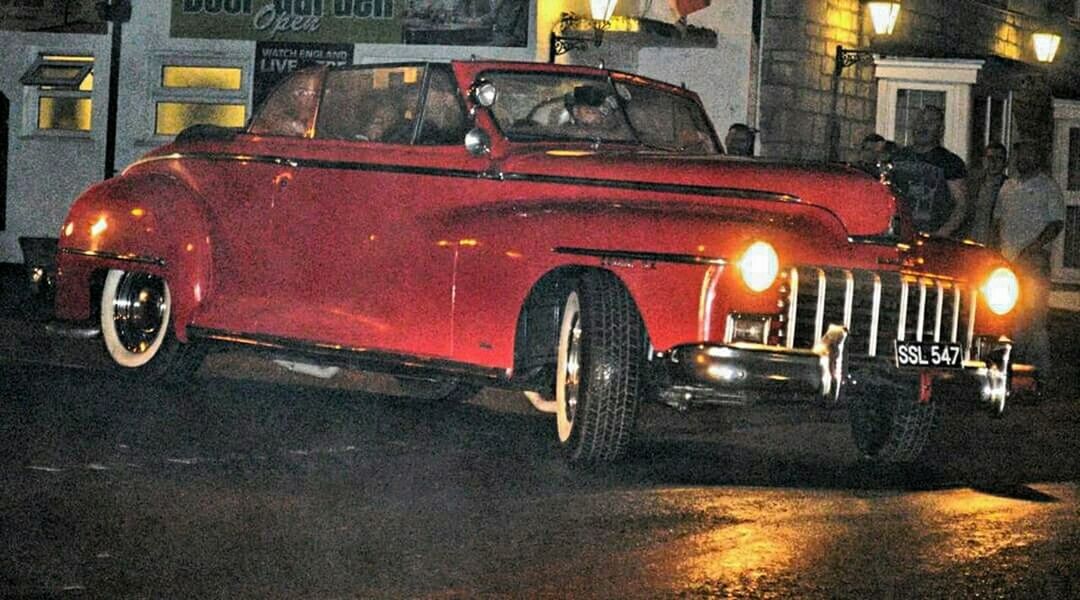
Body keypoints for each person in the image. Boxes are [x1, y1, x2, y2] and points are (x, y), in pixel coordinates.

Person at [992, 140, 1066, 386]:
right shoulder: (1008, 186)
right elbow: (998, 220)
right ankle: (1011, 370)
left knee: (1033, 317)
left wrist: (1034, 247)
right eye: (1019, 155)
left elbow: (1055, 223)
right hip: (1007, 261)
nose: (1022, 159)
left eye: (1028, 154)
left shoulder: (1048, 187)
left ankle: (1041, 374)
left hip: (1033, 262)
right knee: (1009, 315)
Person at [889, 106, 969, 236]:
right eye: (919, 121)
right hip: (898, 236)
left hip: (932, 239)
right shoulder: (897, 158)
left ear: (940, 129)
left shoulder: (950, 162)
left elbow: (961, 205)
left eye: (930, 122)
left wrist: (941, 234)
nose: (922, 126)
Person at [965, 142, 1008, 245]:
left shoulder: (1009, 187)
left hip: (993, 243)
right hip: (970, 240)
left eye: (998, 158)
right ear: (984, 161)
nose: (993, 162)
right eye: (990, 158)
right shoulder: (972, 184)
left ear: (1005, 163)